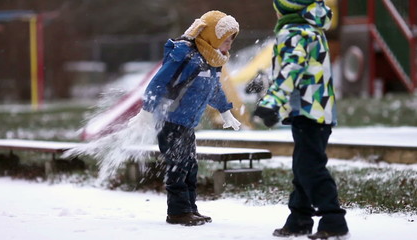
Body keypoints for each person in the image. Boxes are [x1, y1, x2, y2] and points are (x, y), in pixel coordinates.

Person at [254, 0, 349, 239]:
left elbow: (291, 70)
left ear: (285, 9)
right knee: (303, 165)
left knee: (310, 168)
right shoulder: (310, 29)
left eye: (277, 7)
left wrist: (271, 102)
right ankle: (299, 219)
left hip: (309, 111)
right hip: (314, 110)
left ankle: (334, 221)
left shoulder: (294, 31)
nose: (275, 12)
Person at [140, 10, 241, 226]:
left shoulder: (211, 60)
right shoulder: (187, 56)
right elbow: (158, 82)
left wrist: (225, 111)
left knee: (190, 166)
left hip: (187, 124)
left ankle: (190, 208)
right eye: (226, 39)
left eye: (232, 40)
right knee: (177, 166)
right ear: (213, 36)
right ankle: (177, 212)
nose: (229, 44)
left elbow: (214, 90)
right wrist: (146, 110)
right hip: (170, 120)